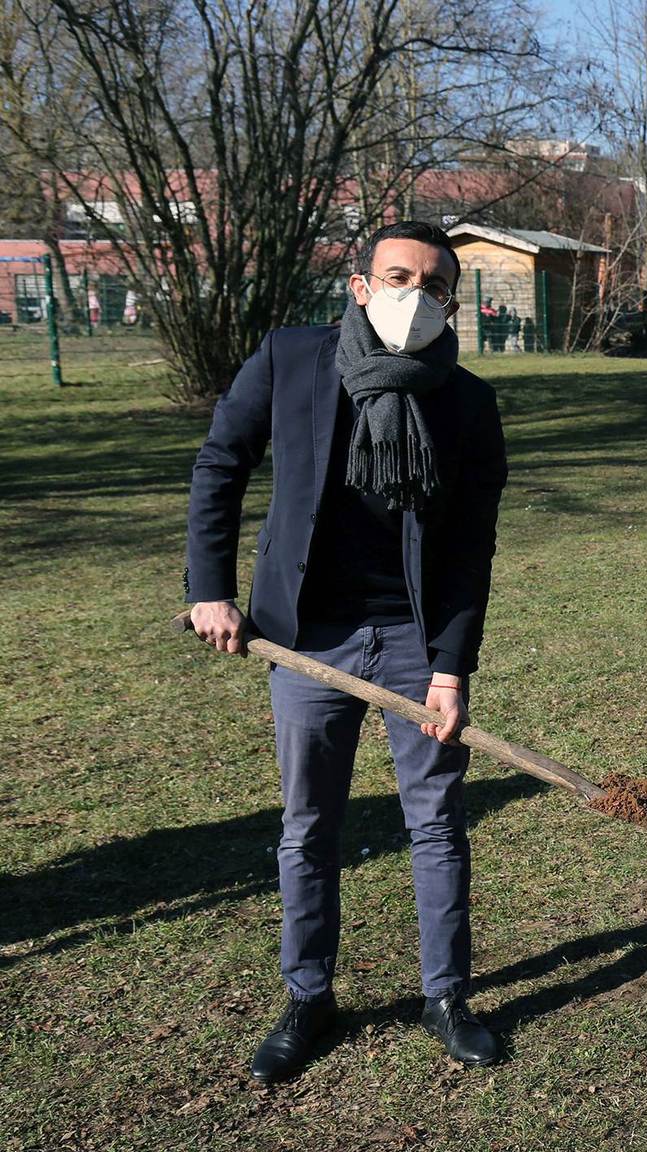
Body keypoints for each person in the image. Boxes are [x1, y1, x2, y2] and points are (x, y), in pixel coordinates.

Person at [185, 221, 510, 1082]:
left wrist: (451, 664)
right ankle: (307, 997)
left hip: (413, 638)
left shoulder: (468, 402)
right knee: (308, 827)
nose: (415, 296)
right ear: (360, 286)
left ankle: (447, 997)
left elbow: (471, 546)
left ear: (452, 303)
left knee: (437, 823)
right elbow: (222, 462)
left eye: (434, 286)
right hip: (304, 639)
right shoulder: (293, 359)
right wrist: (208, 589)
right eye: (397, 276)